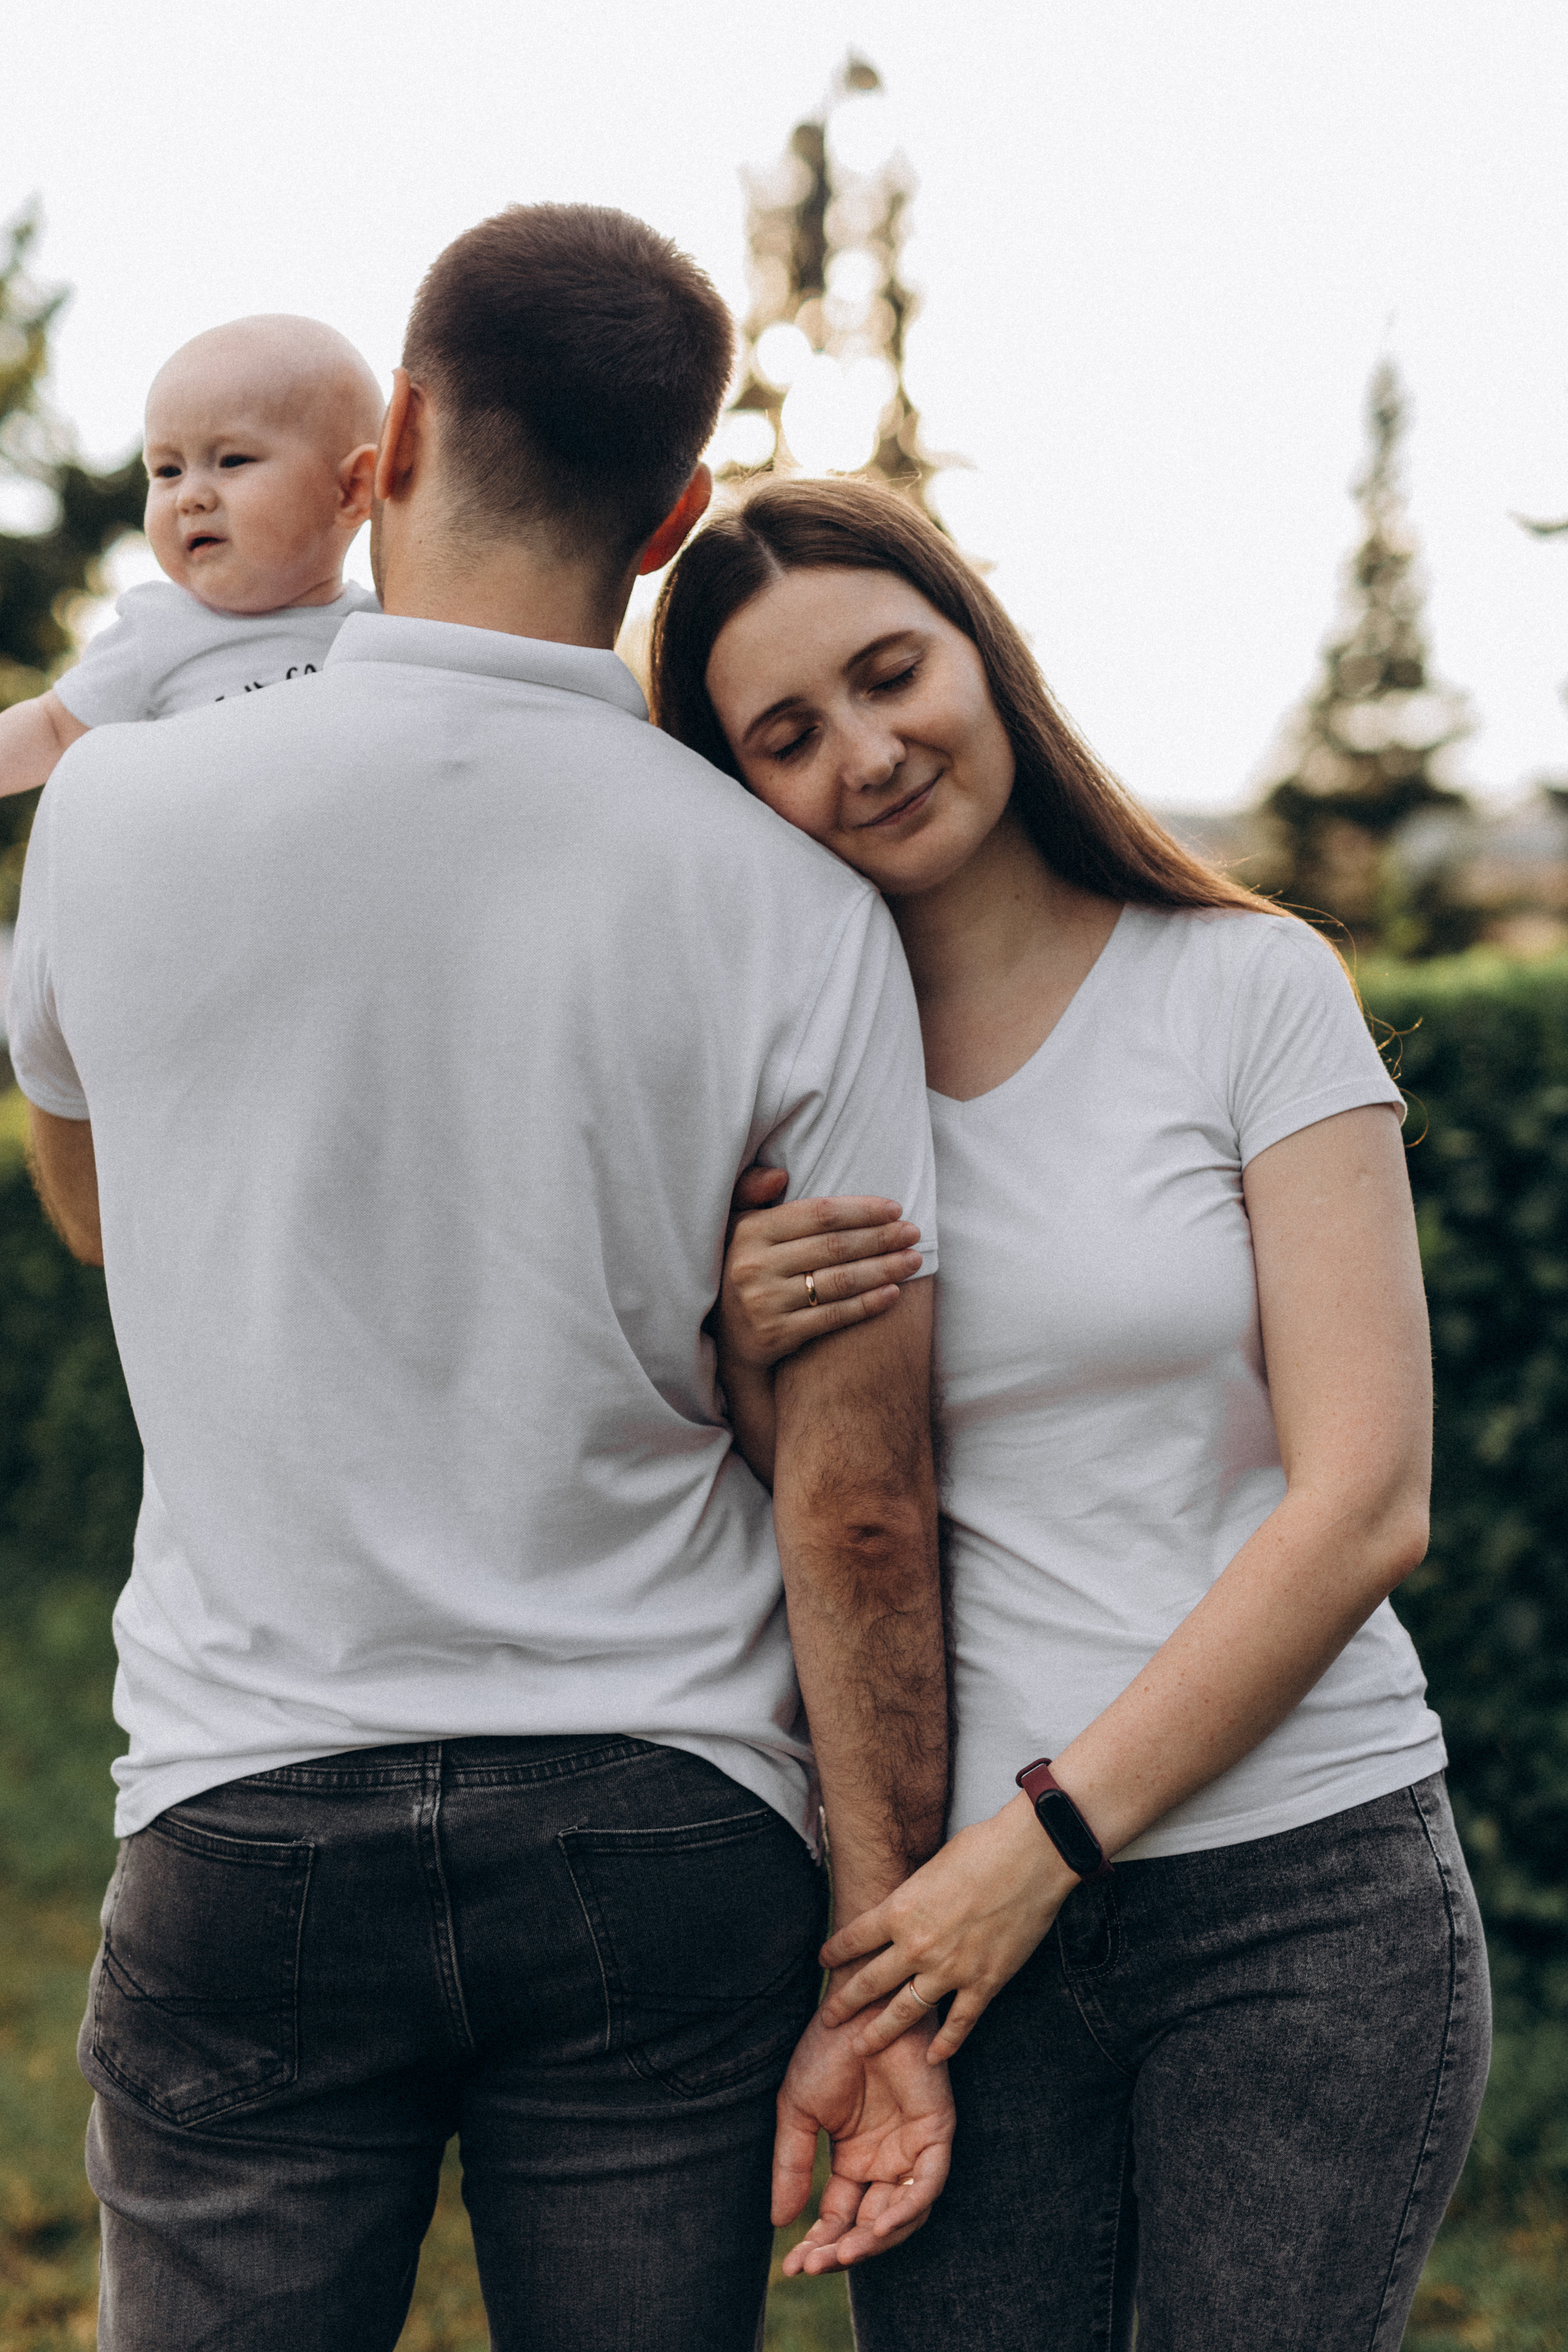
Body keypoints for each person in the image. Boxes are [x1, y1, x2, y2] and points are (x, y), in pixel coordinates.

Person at [7, 214, 956, 2352]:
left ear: (394, 437)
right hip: (664, 1816)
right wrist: (881, 1941)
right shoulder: (793, 903)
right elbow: (863, 1489)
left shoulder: (119, 813)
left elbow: (102, 1218)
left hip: (252, 1796)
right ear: (678, 512)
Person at [649, 475, 1492, 2352]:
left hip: (1297, 1899)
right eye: (785, 734)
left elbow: (1362, 1501)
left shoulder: (1244, 988)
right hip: (947, 1947)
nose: (865, 752)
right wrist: (730, 1352)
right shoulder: (765, 1108)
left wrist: (1029, 1851)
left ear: (982, 653)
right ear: (732, 792)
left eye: (889, 672)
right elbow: (839, 1515)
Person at [0, 314, 383, 797]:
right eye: (166, 470)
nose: (189, 497)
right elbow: (52, 731)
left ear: (351, 488)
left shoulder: (386, 628)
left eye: (232, 461)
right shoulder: (159, 633)